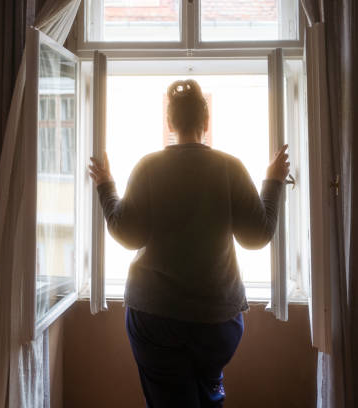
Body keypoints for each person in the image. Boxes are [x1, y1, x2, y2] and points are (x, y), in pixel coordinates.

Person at [88, 79, 289, 407]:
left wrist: (106, 186)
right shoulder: (230, 167)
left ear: (170, 122)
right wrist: (274, 181)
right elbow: (257, 236)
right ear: (205, 122)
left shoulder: (149, 166)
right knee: (207, 395)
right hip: (217, 322)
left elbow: (127, 234)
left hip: (156, 319)